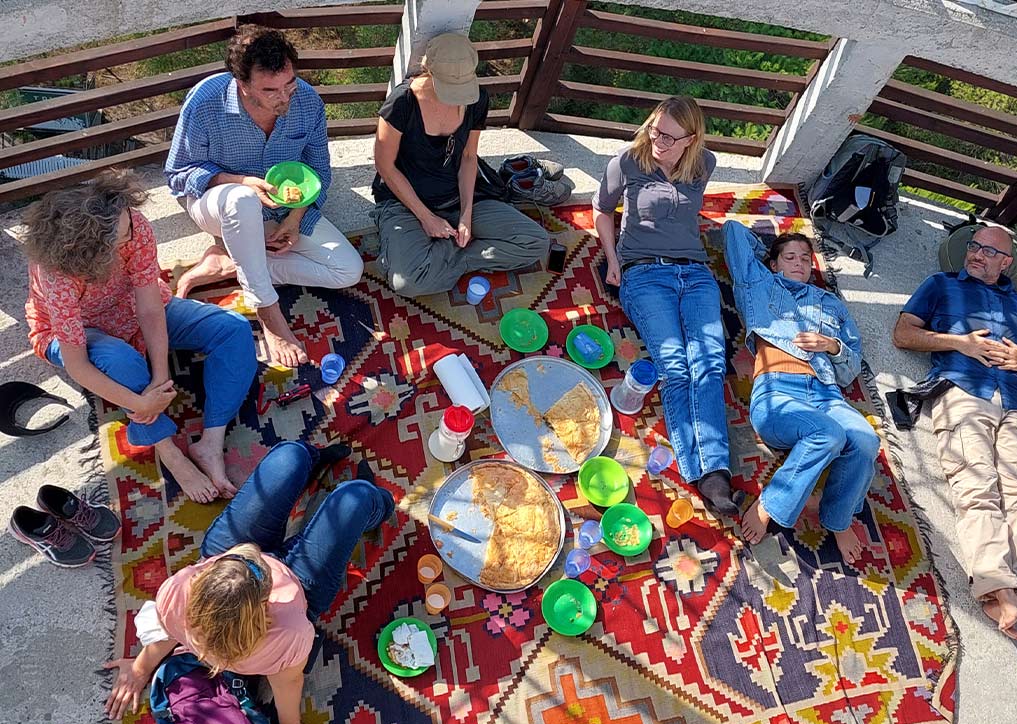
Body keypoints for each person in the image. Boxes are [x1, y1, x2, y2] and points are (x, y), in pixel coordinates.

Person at [105, 442, 395, 724]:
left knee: (289, 458)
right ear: (266, 608)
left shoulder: (179, 591)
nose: (251, 551)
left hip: (244, 575)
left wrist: (141, 669)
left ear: (201, 583)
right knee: (356, 498)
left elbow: (168, 631)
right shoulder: (289, 634)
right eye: (255, 564)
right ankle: (380, 504)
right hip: (301, 586)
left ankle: (313, 459)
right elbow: (288, 682)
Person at [21, 170, 256, 504]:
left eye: (129, 221)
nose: (133, 229)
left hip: (130, 305)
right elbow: (78, 364)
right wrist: (142, 403)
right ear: (92, 251)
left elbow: (148, 308)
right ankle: (169, 451)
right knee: (122, 362)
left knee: (232, 329)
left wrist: (161, 375)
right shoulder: (55, 274)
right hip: (79, 330)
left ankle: (210, 444)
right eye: (121, 236)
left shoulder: (131, 222)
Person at [165, 25, 364, 368]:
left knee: (348, 270)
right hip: (217, 199)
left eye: (289, 84)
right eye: (270, 90)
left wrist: (294, 219)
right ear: (241, 84)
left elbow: (319, 172)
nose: (285, 97)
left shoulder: (307, 101)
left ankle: (234, 263)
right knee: (241, 199)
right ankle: (268, 311)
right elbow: (179, 174)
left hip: (282, 209)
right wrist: (240, 181)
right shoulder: (205, 102)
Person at [893, 225, 1017, 640]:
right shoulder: (940, 284)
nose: (976, 254)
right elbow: (903, 333)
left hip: (1013, 400)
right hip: (963, 390)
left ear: (1006, 262)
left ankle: (999, 587)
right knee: (976, 483)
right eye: (973, 246)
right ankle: (999, 588)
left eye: (987, 251)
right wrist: (958, 343)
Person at [592, 96, 732, 508]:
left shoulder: (705, 163)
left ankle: (715, 469)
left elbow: (687, 215)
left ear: (691, 139)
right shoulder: (627, 161)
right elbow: (601, 210)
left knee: (709, 362)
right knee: (676, 366)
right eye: (655, 130)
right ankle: (706, 474)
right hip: (644, 273)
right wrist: (613, 260)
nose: (659, 141)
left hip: (695, 273)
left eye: (671, 137)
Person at [722, 222, 878, 563]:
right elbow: (733, 231)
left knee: (867, 440)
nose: (798, 263)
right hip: (778, 392)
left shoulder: (830, 303)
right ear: (774, 263)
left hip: (826, 393)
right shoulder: (758, 284)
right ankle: (771, 504)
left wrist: (832, 345)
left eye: (805, 258)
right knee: (829, 434)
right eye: (789, 257)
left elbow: (850, 368)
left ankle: (837, 518)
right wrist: (769, 250)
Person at [371, 32, 550, 296]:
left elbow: (468, 157)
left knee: (537, 242)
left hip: (459, 197)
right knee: (407, 283)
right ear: (429, 72)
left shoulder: (477, 99)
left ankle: (455, 257)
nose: (456, 98)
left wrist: (466, 214)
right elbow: (384, 166)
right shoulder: (402, 103)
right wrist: (426, 217)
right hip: (406, 203)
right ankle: (454, 251)